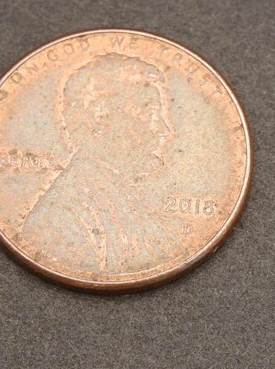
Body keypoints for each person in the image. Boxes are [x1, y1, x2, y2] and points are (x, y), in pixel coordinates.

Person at [20, 52, 185, 275]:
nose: (163, 131)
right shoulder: (59, 219)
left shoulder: (121, 195)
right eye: (149, 112)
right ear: (100, 119)